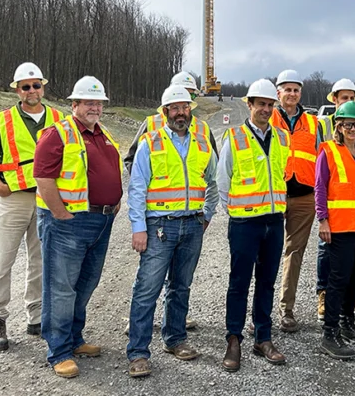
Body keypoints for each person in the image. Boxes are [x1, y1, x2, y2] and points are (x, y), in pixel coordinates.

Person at [33, 76, 124, 379]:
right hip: (69, 224)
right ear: (74, 104)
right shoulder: (57, 134)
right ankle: (58, 350)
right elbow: (43, 177)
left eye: (99, 103)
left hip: (101, 221)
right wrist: (60, 214)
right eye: (88, 102)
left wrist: (114, 201)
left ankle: (74, 339)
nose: (95, 108)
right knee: (61, 287)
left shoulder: (103, 133)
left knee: (86, 283)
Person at [124, 85, 218, 378]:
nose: (180, 113)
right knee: (147, 290)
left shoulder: (202, 143)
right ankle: (138, 352)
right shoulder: (150, 143)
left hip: (192, 224)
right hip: (159, 226)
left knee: (181, 286)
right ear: (165, 112)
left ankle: (175, 339)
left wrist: (207, 214)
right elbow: (137, 188)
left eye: (185, 107)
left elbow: (214, 182)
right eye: (175, 108)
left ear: (190, 111)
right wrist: (139, 228)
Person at [0, 62, 64, 352]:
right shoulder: (3, 120)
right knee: (3, 260)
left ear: (43, 87)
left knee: (40, 260)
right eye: (25, 87)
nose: (31, 90)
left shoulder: (59, 119)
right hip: (14, 199)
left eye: (36, 85)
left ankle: (36, 317)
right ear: (17, 90)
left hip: (46, 199)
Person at [217, 79, 290, 372]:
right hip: (245, 222)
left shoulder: (282, 138)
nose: (266, 109)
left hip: (274, 221)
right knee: (239, 282)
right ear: (250, 105)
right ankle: (234, 339)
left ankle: (263, 338)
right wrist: (236, 211)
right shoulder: (234, 137)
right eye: (261, 104)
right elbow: (223, 181)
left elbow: (283, 175)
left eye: (270, 105)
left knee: (267, 281)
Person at [315, 101, 355, 360]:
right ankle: (329, 333)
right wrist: (322, 219)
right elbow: (320, 186)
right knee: (338, 279)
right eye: (348, 124)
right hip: (338, 226)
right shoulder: (328, 151)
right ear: (338, 126)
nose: (353, 129)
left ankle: (347, 322)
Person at [269, 70, 320, 333]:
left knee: (294, 253)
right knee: (266, 253)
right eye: (287, 89)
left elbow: (321, 160)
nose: (291, 94)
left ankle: (286, 309)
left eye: (296, 90)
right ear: (278, 93)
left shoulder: (313, 123)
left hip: (304, 197)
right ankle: (260, 311)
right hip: (272, 196)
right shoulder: (268, 116)